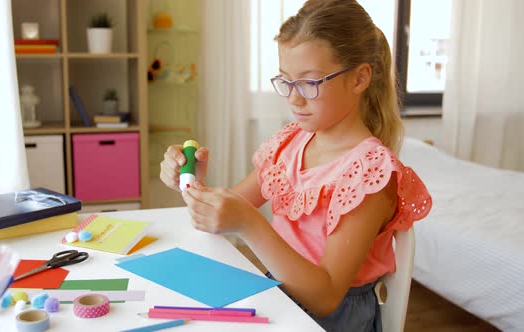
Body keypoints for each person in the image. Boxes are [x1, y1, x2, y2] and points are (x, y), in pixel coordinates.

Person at [159, 0, 432, 330]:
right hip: (278, 299)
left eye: (309, 82)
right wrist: (191, 182)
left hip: (331, 319)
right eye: (286, 81)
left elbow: (326, 296)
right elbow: (223, 214)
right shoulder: (289, 144)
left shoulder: (370, 173)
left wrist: (251, 225)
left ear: (359, 79)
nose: (293, 98)